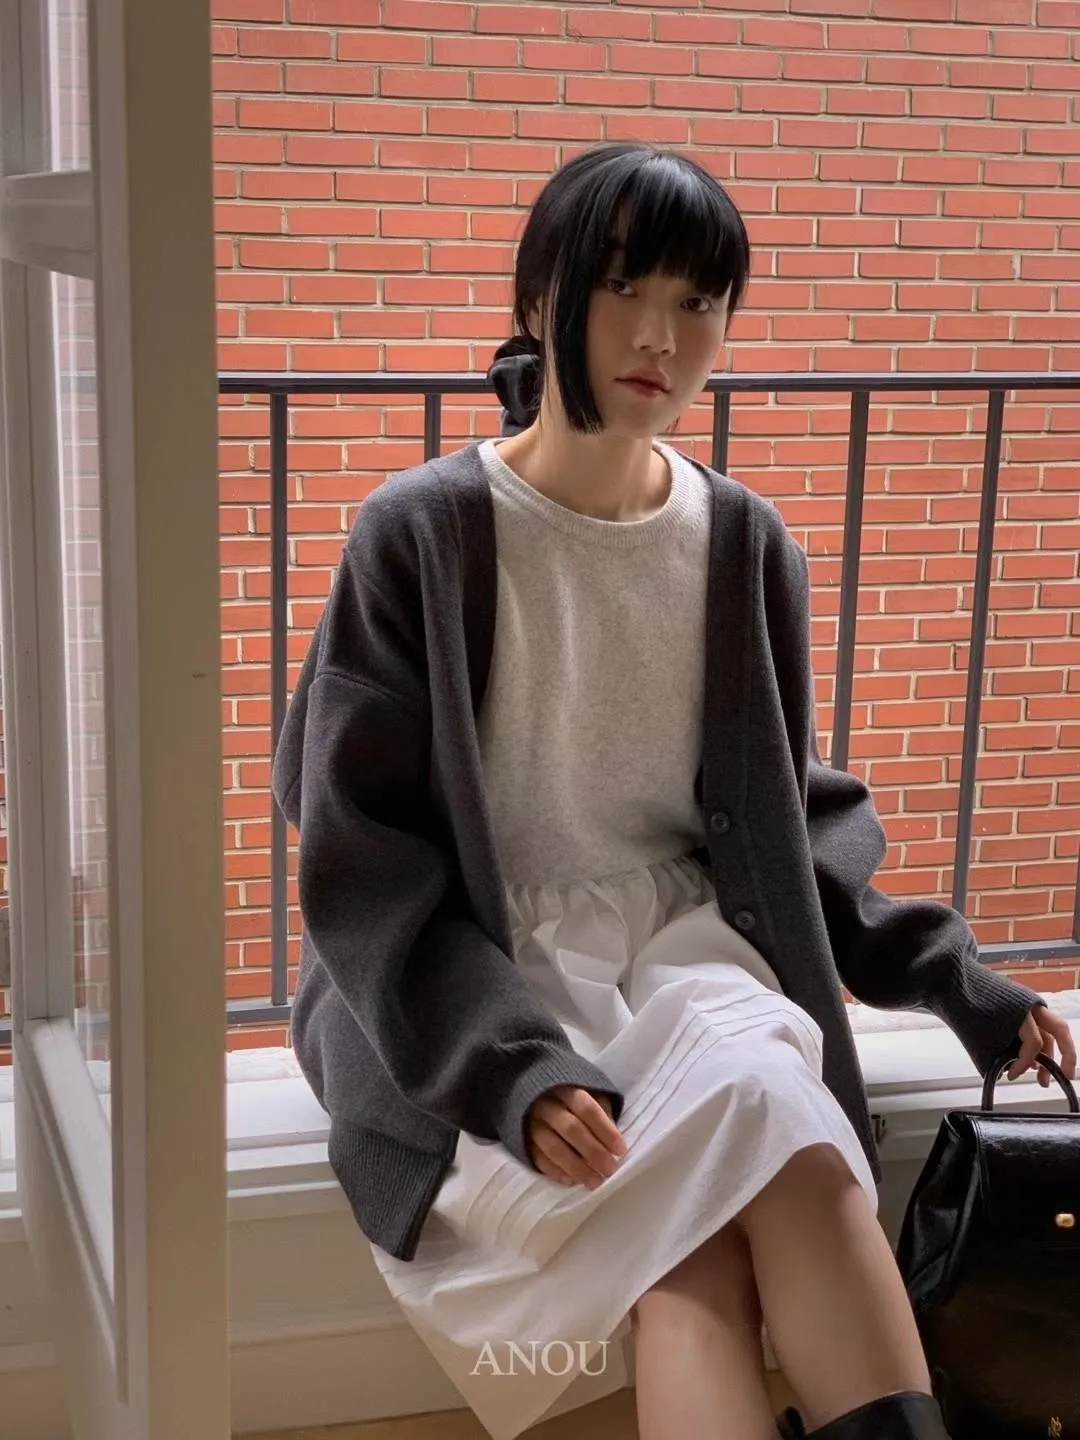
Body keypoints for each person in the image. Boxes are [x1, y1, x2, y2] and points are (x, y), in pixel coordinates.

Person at [272, 143, 1076, 1440]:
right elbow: (364, 857)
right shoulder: (420, 535)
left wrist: (954, 980)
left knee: (800, 1151)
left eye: (698, 300)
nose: (661, 334)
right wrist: (510, 1069)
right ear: (541, 299)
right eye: (623, 288)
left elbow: (787, 817)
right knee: (689, 1252)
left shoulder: (742, 542)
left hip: (691, 961)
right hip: (483, 985)